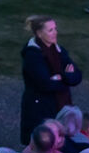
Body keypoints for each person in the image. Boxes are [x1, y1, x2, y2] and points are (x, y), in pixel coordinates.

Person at [23, 16, 83, 145]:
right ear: (39, 34)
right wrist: (66, 76)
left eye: (55, 29)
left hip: (59, 104)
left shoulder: (59, 51)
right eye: (50, 30)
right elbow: (46, 84)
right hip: (40, 108)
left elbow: (77, 76)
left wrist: (62, 77)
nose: (55, 32)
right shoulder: (32, 56)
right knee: (45, 142)